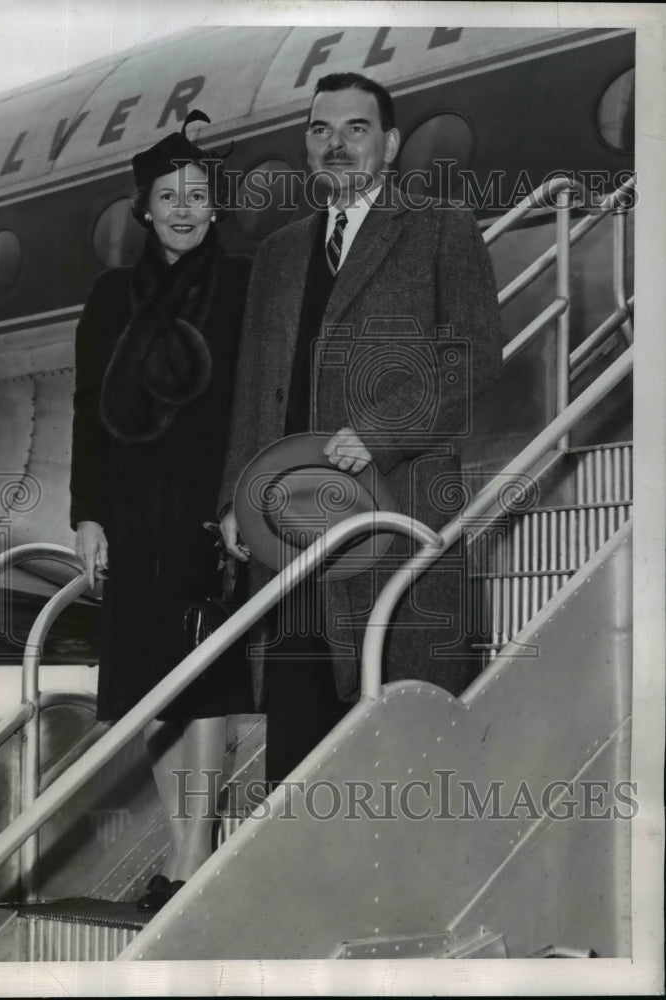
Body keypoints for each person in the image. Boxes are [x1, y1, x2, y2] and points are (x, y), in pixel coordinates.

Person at [219, 73, 502, 785]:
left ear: (391, 142)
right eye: (319, 130)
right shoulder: (279, 253)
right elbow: (254, 384)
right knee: (294, 743)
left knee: (400, 746)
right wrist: (233, 498)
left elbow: (473, 363)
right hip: (286, 536)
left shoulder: (441, 226)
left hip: (394, 516)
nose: (335, 144)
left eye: (355, 128)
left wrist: (380, 431)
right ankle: (295, 892)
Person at [69, 111, 252, 913]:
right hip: (133, 511)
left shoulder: (243, 284)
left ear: (215, 206)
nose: (183, 208)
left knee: (202, 683)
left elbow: (258, 399)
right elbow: (87, 410)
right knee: (147, 685)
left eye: (198, 194)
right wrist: (88, 514)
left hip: (207, 512)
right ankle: (183, 854)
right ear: (144, 208)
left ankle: (194, 855)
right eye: (168, 195)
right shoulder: (112, 296)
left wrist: (241, 499)